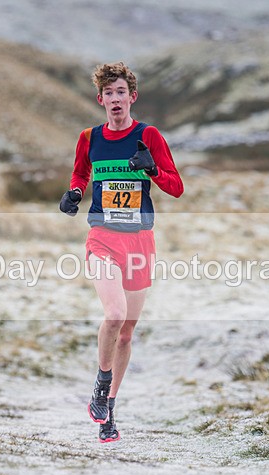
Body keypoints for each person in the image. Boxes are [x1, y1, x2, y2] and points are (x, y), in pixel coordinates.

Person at [59, 62, 184, 443]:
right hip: (103, 236)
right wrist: (76, 192)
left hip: (139, 241)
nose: (115, 100)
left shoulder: (149, 136)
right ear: (101, 100)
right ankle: (100, 385)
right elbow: (80, 173)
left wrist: (152, 171)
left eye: (121, 93)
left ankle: (108, 408)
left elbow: (176, 187)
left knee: (127, 333)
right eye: (108, 94)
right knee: (114, 315)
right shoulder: (88, 137)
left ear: (133, 97)